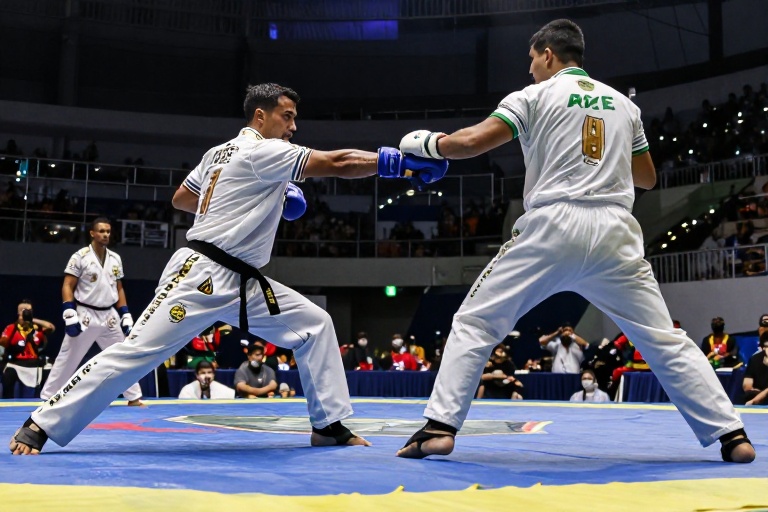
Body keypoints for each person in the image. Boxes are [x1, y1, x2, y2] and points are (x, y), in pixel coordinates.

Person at [10, 82, 446, 455]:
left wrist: (267, 193)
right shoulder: (265, 151)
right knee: (136, 354)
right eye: (287, 117)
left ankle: (328, 426)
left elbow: (182, 198)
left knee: (315, 325)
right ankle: (42, 423)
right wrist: (399, 163)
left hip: (242, 280)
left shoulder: (218, 152)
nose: (293, 127)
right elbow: (337, 163)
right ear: (262, 116)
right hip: (200, 276)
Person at [394, 19, 754, 463]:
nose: (529, 70)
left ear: (547, 53)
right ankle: (733, 436)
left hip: (552, 223)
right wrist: (601, 155)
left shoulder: (532, 96)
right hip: (615, 231)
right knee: (664, 339)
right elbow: (646, 176)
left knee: (475, 323)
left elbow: (470, 144)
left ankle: (439, 428)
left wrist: (427, 145)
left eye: (531, 60)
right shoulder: (625, 106)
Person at [38, 218, 144, 407]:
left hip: (109, 315)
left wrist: (125, 313)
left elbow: (119, 288)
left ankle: (134, 397)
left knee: (123, 355)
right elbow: (68, 285)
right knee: (68, 357)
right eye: (102, 231)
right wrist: (69, 312)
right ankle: (48, 398)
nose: (106, 235)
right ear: (92, 233)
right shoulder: (80, 256)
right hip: (86, 313)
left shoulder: (115, 258)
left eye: (108, 231)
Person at [1, 300, 55, 398]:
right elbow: (2, 344)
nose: (26, 312)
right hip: (16, 363)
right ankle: (6, 402)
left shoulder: (37, 328)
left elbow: (51, 327)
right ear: (18, 312)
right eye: (24, 310)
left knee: (49, 371)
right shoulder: (11, 328)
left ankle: (46, 400)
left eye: (29, 310)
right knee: (8, 373)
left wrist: (31, 319)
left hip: (34, 363)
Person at [742, 332, 768, 406]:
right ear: (763, 347)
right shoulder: (754, 359)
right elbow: (747, 385)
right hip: (759, 394)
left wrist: (754, 400)